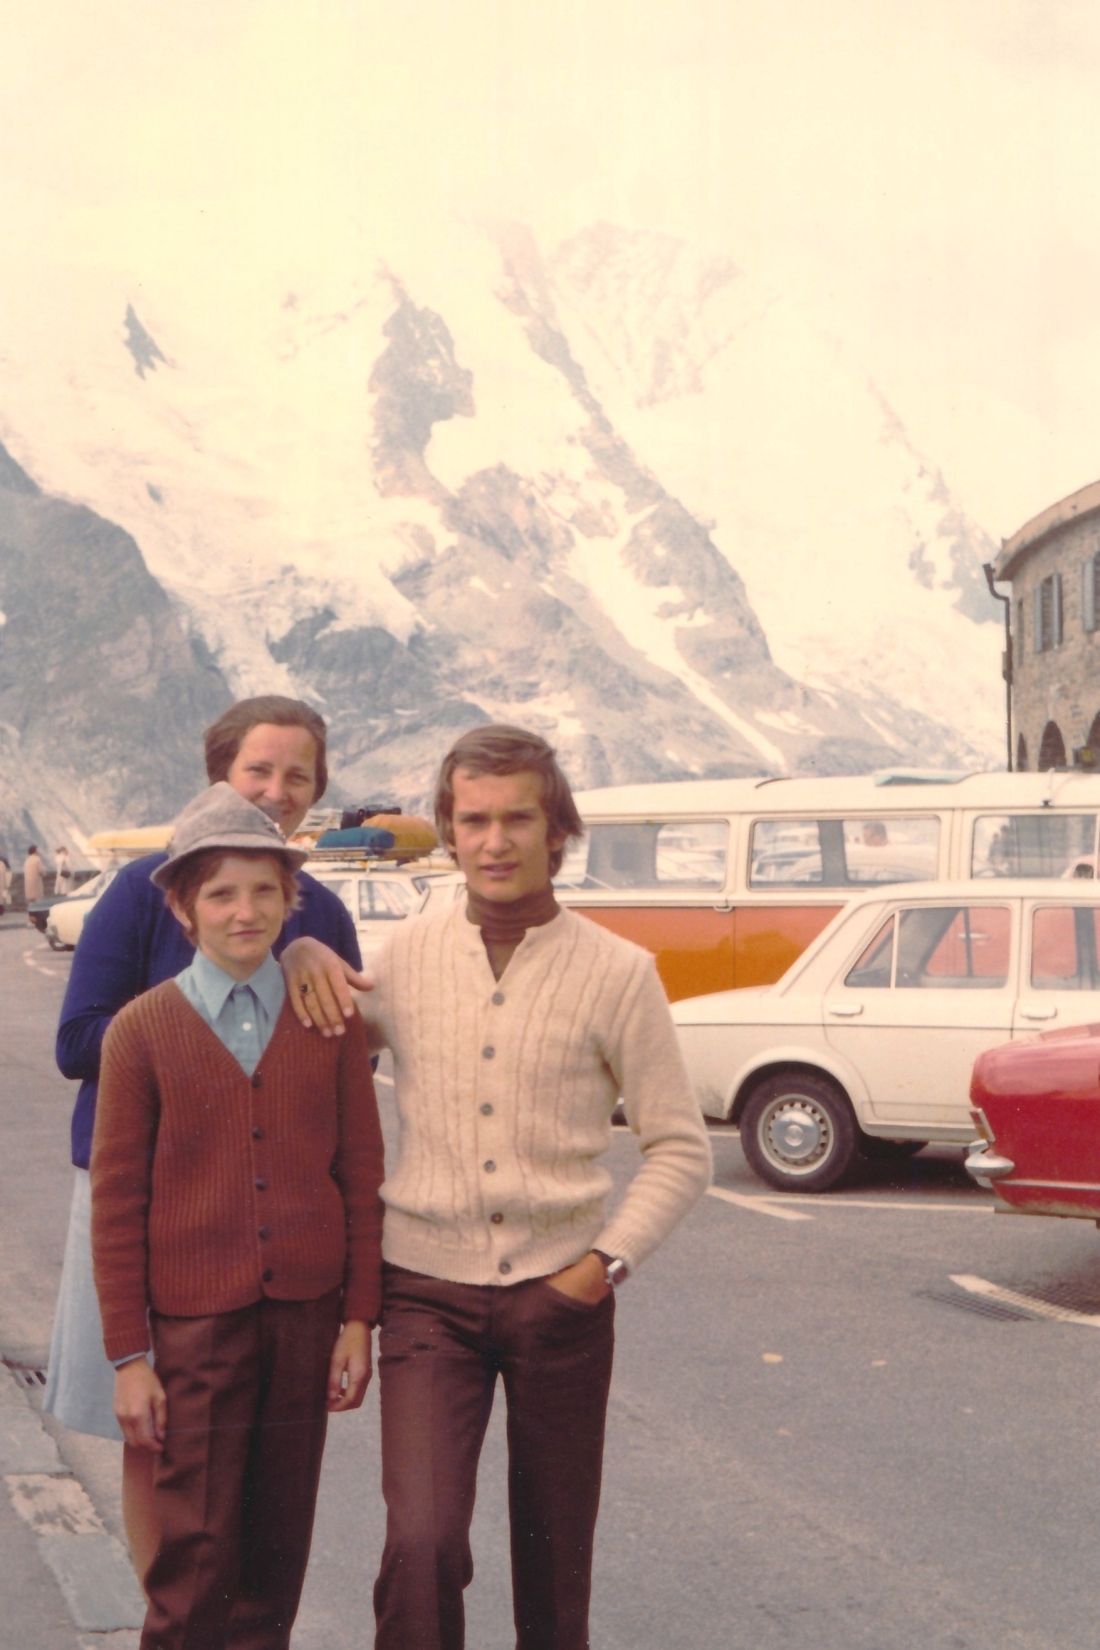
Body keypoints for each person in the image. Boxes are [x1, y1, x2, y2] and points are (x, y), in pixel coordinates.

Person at [361, 724, 712, 1650]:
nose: (495, 842)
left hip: (562, 1296)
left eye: (518, 819)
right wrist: (304, 958)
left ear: (557, 831)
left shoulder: (619, 973)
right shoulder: (399, 958)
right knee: (422, 1540)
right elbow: (318, 1068)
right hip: (424, 1294)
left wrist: (602, 1266)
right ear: (447, 830)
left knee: (556, 1567)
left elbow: (682, 1149)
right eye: (473, 820)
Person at [45, 694, 370, 1576]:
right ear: (219, 773)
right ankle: (168, 1616)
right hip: (145, 1189)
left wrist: (295, 960)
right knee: (152, 1432)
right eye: (258, 769)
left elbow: (337, 1068)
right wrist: (199, 1015)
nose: (277, 790)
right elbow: (77, 1041)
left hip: (260, 1211)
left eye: (298, 776)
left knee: (252, 1451)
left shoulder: (320, 913)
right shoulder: (148, 887)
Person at [91, 784, 385, 1647]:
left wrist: (357, 1320)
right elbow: (118, 1203)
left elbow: (359, 1172)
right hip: (196, 1329)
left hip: (305, 1317)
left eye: (264, 891)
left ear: (291, 901)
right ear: (183, 910)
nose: (245, 911)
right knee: (194, 1548)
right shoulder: (141, 1032)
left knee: (277, 1548)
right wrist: (129, 1358)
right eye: (220, 893)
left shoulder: (328, 1022)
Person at [23, 843, 44, 919]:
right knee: (38, 899)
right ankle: (38, 915)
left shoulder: (27, 860)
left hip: (28, 882)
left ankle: (31, 915)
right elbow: (41, 870)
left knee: (30, 900)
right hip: (36, 882)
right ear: (35, 851)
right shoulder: (37, 859)